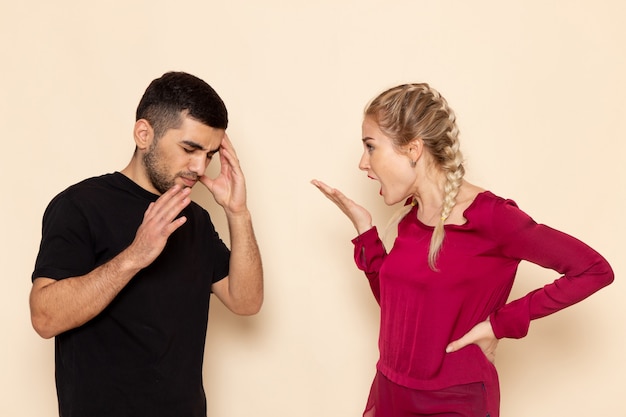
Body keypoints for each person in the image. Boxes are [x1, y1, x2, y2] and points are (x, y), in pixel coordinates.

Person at [311, 83, 613, 417]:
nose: (362, 163)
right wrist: (366, 231)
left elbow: (594, 270)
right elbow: (399, 307)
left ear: (412, 150)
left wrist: (499, 325)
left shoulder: (493, 217)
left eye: (370, 147)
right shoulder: (411, 219)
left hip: (452, 402)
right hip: (390, 393)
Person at [29, 71, 264, 417]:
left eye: (210, 155)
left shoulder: (195, 219)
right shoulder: (80, 206)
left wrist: (238, 213)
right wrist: (135, 256)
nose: (199, 168)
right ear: (144, 134)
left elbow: (246, 302)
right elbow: (44, 318)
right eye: (190, 148)